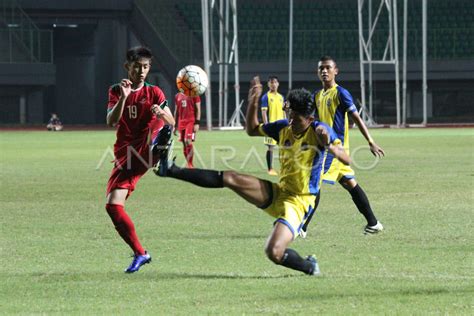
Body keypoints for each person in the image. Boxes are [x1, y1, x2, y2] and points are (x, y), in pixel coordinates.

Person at [155, 77, 351, 276]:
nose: (291, 121)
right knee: (230, 178)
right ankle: (170, 169)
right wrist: (254, 102)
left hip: (300, 201)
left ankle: (309, 266)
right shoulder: (284, 127)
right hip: (279, 192)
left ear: (309, 119)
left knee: (273, 252)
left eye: (296, 118)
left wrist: (329, 147)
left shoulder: (320, 130)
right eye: (289, 114)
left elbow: (346, 159)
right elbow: (252, 129)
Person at [105, 46, 175, 273]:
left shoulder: (155, 92)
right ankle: (141, 253)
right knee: (113, 207)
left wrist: (161, 113)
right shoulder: (117, 90)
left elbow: (171, 120)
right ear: (127, 67)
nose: (142, 71)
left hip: (142, 151)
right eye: (137, 67)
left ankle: (159, 150)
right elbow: (111, 120)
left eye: (145, 67)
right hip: (124, 155)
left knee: (162, 125)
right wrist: (123, 99)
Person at [302, 55, 385, 237]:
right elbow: (311, 119)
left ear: (335, 71)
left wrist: (370, 141)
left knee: (313, 181)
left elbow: (356, 118)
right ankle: (373, 223)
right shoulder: (318, 95)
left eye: (327, 68)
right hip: (328, 148)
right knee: (350, 184)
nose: (324, 71)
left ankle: (302, 227)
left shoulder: (341, 93)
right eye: (321, 68)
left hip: (334, 149)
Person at [260, 75, 285, 175]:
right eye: (271, 82)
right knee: (270, 147)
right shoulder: (266, 97)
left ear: (278, 84)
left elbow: (283, 112)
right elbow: (264, 112)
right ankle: (270, 169)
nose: (273, 84)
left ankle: (284, 168)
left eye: (275, 82)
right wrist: (266, 126)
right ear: (268, 84)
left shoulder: (281, 97)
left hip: (281, 127)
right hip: (271, 126)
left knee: (283, 148)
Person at [173, 91, 201, 168]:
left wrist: (197, 123)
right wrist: (174, 126)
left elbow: (198, 109)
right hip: (181, 122)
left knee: (187, 141)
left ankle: (190, 164)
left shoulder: (194, 94)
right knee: (184, 143)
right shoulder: (177, 95)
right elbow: (176, 111)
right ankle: (188, 162)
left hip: (191, 121)